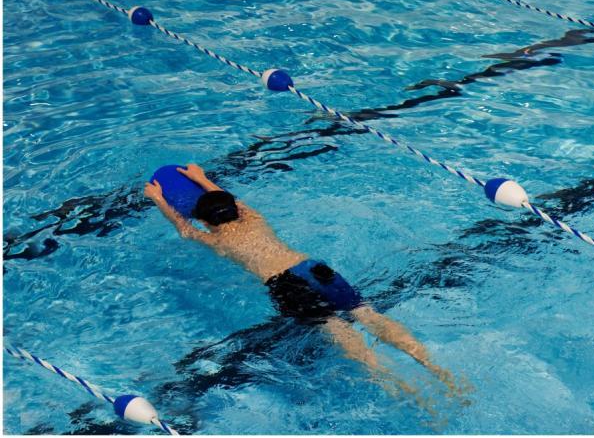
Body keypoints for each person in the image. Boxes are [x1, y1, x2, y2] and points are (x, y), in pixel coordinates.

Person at [143, 163, 458, 395]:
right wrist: (201, 179)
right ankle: (438, 371)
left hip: (287, 285)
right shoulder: (255, 220)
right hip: (314, 268)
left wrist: (159, 198)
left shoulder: (219, 241)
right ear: (236, 211)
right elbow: (231, 201)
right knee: (366, 314)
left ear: (205, 222)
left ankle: (400, 387)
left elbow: (184, 230)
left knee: (337, 329)